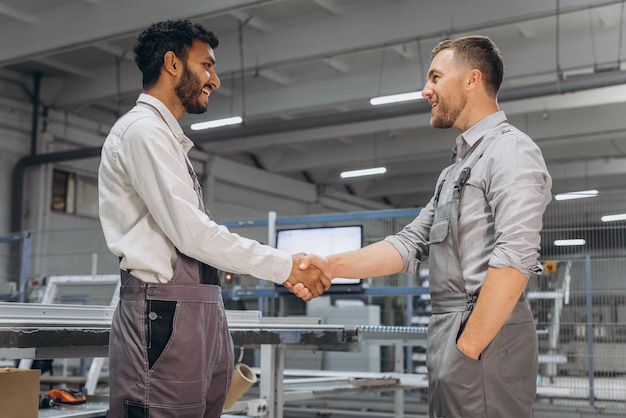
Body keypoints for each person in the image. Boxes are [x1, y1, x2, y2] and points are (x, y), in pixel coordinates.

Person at [298, 35, 552, 418]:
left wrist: (468, 347)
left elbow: (515, 257)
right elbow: (408, 243)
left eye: (435, 77)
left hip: (483, 333)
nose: (425, 90)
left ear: (471, 79)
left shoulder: (511, 151)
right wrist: (330, 266)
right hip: (451, 331)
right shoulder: (455, 170)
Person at [98, 20, 330, 418]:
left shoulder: (167, 138)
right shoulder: (143, 133)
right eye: (206, 65)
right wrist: (286, 266)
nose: (215, 80)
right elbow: (193, 235)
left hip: (198, 310)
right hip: (163, 316)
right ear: (172, 63)